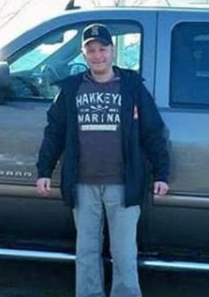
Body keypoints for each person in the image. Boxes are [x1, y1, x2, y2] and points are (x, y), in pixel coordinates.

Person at [35, 23, 169, 297]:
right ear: (84, 54)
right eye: (91, 50)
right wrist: (44, 170)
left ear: (113, 50)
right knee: (86, 252)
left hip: (123, 184)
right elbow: (55, 132)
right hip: (82, 184)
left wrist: (161, 173)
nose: (98, 55)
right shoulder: (71, 89)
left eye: (103, 49)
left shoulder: (132, 88)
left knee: (124, 254)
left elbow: (153, 132)